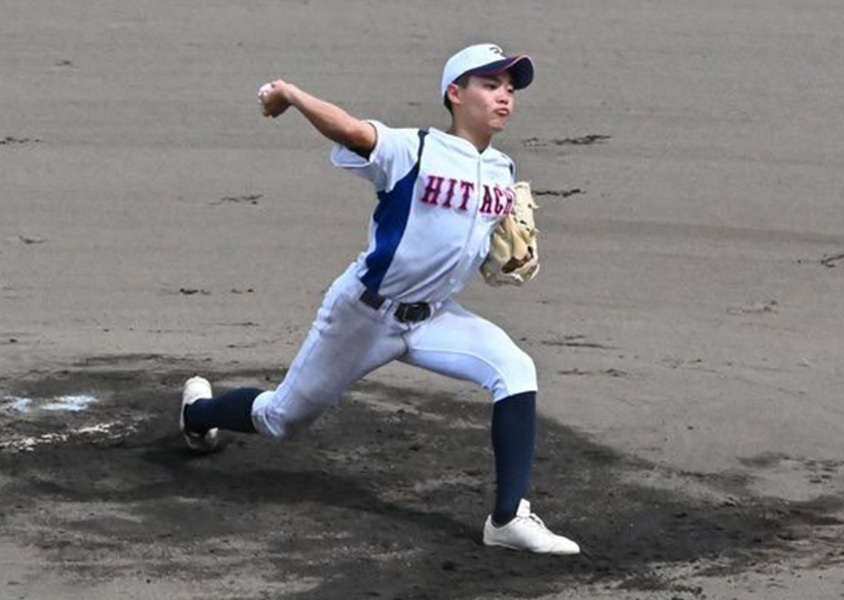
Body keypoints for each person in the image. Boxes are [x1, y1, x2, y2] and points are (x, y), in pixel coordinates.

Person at [179, 43, 579, 555]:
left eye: (509, 88)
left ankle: (508, 520)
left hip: (434, 319)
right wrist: (292, 95)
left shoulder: (503, 169)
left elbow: (469, 242)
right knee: (281, 418)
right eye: (490, 84)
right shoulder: (413, 148)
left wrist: (499, 255)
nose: (504, 96)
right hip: (364, 315)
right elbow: (350, 130)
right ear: (455, 93)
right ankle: (198, 414)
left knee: (515, 368)